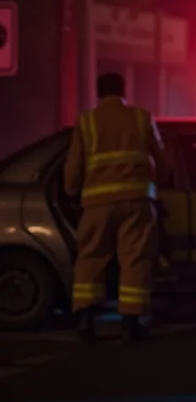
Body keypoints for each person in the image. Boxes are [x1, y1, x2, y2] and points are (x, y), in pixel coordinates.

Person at [64, 72, 169, 343]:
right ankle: (130, 324)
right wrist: (160, 185)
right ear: (124, 91)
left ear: (99, 93)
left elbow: (74, 167)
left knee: (90, 259)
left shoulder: (87, 122)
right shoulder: (141, 117)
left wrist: (72, 192)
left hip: (97, 204)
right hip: (136, 202)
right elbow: (162, 160)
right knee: (135, 260)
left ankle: (86, 321)